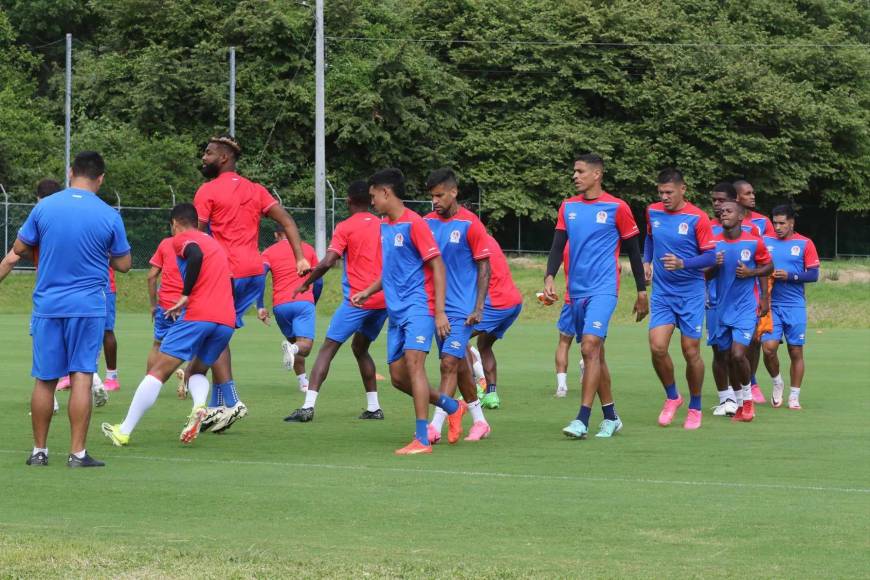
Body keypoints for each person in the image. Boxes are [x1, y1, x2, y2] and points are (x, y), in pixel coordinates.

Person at [14, 152, 131, 467]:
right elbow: (124, 264)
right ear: (101, 178)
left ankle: (39, 451)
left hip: (48, 305)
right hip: (88, 306)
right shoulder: (109, 214)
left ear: (70, 172)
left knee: (44, 379)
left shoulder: (45, 206)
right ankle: (77, 453)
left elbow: (21, 247)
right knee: (82, 375)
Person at [192, 134, 310, 433]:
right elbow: (287, 222)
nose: (203, 158)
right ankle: (219, 406)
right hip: (254, 272)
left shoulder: (207, 192)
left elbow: (198, 238)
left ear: (223, 158)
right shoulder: (256, 190)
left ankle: (229, 400)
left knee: (212, 334)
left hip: (225, 273)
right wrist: (299, 257)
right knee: (220, 334)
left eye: (208, 153)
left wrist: (191, 276)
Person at [102, 203, 236, 446]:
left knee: (158, 372)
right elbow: (231, 279)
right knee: (195, 371)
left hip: (198, 315)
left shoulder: (181, 239)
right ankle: (198, 407)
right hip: (225, 320)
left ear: (175, 223)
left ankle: (124, 430)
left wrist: (185, 295)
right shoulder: (216, 244)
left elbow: (194, 254)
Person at [351, 168, 461, 455]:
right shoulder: (385, 225)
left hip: (419, 307)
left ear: (386, 193)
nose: (371, 201)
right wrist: (369, 290)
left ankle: (422, 439)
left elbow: (438, 265)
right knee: (399, 377)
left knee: (415, 366)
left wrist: (439, 312)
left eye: (373, 195)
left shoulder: (416, 224)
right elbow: (391, 268)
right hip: (396, 311)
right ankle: (452, 406)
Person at [543, 153, 649, 440]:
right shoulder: (568, 206)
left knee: (589, 347)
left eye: (579, 171)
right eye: (574, 171)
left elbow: (634, 252)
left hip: (604, 289)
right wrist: (550, 276)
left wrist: (641, 290)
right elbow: (557, 246)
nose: (574, 176)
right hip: (575, 292)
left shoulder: (618, 207)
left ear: (597, 174)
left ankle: (582, 419)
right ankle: (611, 417)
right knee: (596, 355)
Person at [284, 180, 388, 422]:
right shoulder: (383, 224)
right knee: (360, 348)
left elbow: (329, 260)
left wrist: (306, 282)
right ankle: (374, 407)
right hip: (382, 300)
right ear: (371, 200)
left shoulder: (345, 227)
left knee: (327, 350)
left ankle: (308, 407)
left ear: (349, 200)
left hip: (357, 301)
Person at [423, 168, 492, 444]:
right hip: (434, 307)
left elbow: (484, 267)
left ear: (454, 192)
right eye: (432, 196)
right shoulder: (426, 222)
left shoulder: (471, 224)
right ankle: (480, 421)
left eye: (440, 195)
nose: (435, 201)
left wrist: (478, 307)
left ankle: (434, 426)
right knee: (460, 366)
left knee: (449, 362)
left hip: (462, 310)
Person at [643, 169, 715, 429]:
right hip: (662, 293)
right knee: (657, 347)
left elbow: (710, 257)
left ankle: (695, 406)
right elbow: (650, 239)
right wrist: (646, 261)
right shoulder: (653, 212)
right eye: (661, 192)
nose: (664, 197)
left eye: (669, 192)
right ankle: (673, 397)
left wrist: (683, 263)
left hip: (691, 294)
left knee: (690, 351)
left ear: (683, 189)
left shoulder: (698, 218)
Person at [1, 179, 63, 415]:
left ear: (38, 198)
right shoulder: (76, 218)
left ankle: (51, 401)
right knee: (78, 356)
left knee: (47, 352)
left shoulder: (40, 217)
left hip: (48, 299)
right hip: (83, 301)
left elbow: (13, 256)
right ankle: (96, 382)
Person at [707, 200, 772, 422]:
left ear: (740, 217)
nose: (723, 214)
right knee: (725, 356)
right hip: (721, 308)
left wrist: (753, 273)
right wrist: (713, 265)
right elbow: (704, 275)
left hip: (745, 307)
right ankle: (740, 402)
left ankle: (748, 402)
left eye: (729, 211)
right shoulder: (713, 243)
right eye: (722, 211)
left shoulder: (753, 242)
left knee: (737, 354)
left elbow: (769, 266)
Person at [761, 205, 819, 409]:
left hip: (794, 305)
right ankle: (777, 382)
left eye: (781, 223)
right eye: (774, 223)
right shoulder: (765, 241)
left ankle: (794, 396)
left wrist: (791, 276)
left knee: (795, 351)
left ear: (791, 222)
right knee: (768, 349)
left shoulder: (805, 243)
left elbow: (813, 274)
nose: (777, 227)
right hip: (770, 304)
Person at [256, 228, 319, 394]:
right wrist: (313, 300)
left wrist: (260, 305)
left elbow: (260, 278)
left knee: (294, 343)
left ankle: (303, 382)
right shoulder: (308, 249)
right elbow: (318, 281)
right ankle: (293, 351)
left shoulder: (269, 252)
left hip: (281, 306)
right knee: (304, 346)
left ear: (276, 234)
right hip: (303, 302)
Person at [734, 179, 776, 405]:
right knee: (730, 343)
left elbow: (766, 258)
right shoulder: (727, 220)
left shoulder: (762, 222)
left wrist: (765, 294)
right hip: (732, 289)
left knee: (754, 340)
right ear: (737, 197)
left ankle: (752, 381)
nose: (753, 196)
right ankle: (734, 391)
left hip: (755, 286)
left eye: (753, 192)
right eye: (748, 193)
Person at [471, 234, 523, 409]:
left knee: (454, 336)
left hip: (496, 303)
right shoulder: (488, 238)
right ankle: (491, 394)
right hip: (513, 301)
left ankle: (473, 388)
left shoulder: (472, 241)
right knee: (484, 345)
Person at [146, 232, 186, 397]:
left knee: (157, 344)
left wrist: (153, 305)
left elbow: (151, 277)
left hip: (166, 305)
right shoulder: (201, 243)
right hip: (190, 305)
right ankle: (188, 376)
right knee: (198, 346)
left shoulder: (166, 243)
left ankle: (148, 384)